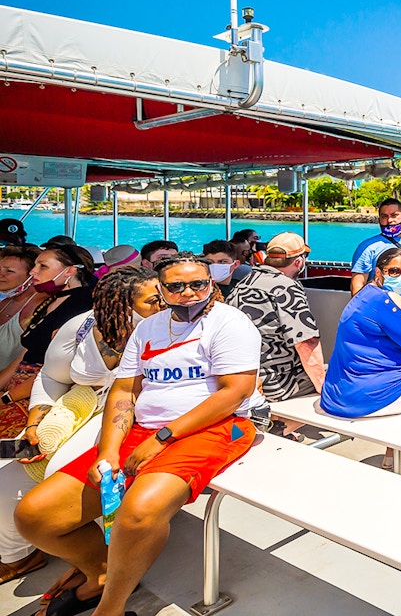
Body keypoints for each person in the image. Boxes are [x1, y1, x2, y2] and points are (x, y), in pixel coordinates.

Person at [15, 253, 265, 616]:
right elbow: (124, 391)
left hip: (218, 426)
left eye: (198, 284)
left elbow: (235, 392)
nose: (189, 293)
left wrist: (162, 437)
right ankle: (103, 572)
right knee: (36, 516)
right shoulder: (149, 328)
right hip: (145, 427)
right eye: (176, 286)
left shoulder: (230, 324)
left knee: (139, 510)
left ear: (211, 284)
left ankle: (110, 607)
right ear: (162, 290)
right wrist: (108, 451)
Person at [0, 267, 162, 588]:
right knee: (4, 480)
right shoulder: (80, 328)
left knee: (60, 478)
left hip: (134, 423)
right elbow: (52, 377)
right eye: (154, 301)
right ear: (120, 304)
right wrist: (36, 423)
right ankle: (17, 557)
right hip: (72, 413)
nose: (165, 306)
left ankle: (101, 563)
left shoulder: (171, 333)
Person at [321, 247, 401, 419]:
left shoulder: (363, 296)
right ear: (378, 272)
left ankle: (394, 447)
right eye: (394, 271)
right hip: (376, 393)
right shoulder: (389, 301)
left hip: (339, 392)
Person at [227, 233, 323, 407]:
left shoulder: (245, 281)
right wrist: (323, 387)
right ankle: (284, 427)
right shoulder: (286, 288)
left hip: (240, 376)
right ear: (299, 262)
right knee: (338, 379)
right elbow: (306, 341)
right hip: (275, 382)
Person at [0, 246, 96, 411]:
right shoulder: (50, 301)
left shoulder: (82, 306)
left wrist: (7, 398)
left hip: (39, 394)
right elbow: (25, 353)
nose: (33, 272)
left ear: (69, 271)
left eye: (42, 266)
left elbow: (59, 368)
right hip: (17, 390)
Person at [0, 245, 42, 371]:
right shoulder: (5, 302)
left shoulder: (38, 308)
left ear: (32, 276)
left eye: (9, 271)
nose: (1, 274)